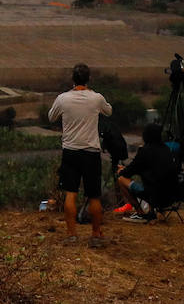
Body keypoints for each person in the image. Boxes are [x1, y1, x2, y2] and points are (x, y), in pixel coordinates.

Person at [46, 63, 113, 247]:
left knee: (70, 193)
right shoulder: (96, 98)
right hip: (91, 152)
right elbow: (109, 111)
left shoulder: (63, 99)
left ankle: (71, 234)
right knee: (94, 196)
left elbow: (51, 117)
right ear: (89, 78)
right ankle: (95, 235)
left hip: (70, 151)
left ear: (73, 79)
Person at [114, 123, 176, 223]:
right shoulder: (166, 149)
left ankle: (140, 213)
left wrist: (122, 170)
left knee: (121, 179)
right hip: (171, 195)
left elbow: (129, 172)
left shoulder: (145, 151)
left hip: (154, 195)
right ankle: (153, 211)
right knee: (154, 178)